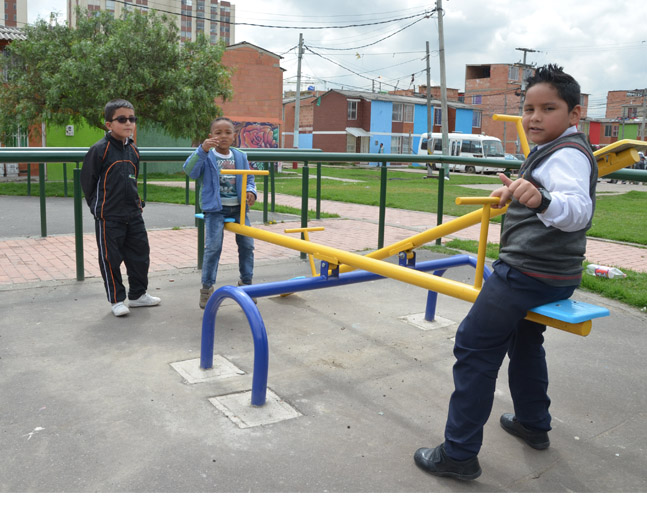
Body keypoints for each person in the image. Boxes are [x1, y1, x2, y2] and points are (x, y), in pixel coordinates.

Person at [414, 64, 597, 480]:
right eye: (529, 108)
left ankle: (458, 454)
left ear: (574, 114)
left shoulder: (566, 154)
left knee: (474, 347)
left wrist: (543, 201)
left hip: (526, 274)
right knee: (525, 339)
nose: (534, 117)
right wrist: (514, 191)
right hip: (557, 275)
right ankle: (533, 423)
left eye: (548, 108)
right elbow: (538, 189)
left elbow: (576, 210)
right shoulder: (558, 148)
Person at [81, 99, 161, 317]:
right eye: (122, 119)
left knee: (140, 255)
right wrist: (99, 208)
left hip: (133, 214)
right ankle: (116, 299)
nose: (128, 123)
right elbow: (88, 183)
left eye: (132, 119)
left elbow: (131, 178)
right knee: (110, 258)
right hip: (109, 217)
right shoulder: (99, 150)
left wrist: (136, 204)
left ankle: (137, 295)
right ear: (109, 124)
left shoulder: (133, 150)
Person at [183, 117, 257, 309]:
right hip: (215, 209)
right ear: (211, 136)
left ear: (234, 135)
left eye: (227, 132)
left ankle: (246, 284)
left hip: (238, 207)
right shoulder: (206, 156)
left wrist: (251, 192)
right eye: (218, 133)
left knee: (247, 244)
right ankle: (207, 288)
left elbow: (249, 180)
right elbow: (190, 171)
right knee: (213, 247)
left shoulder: (240, 156)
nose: (223, 136)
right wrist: (202, 150)